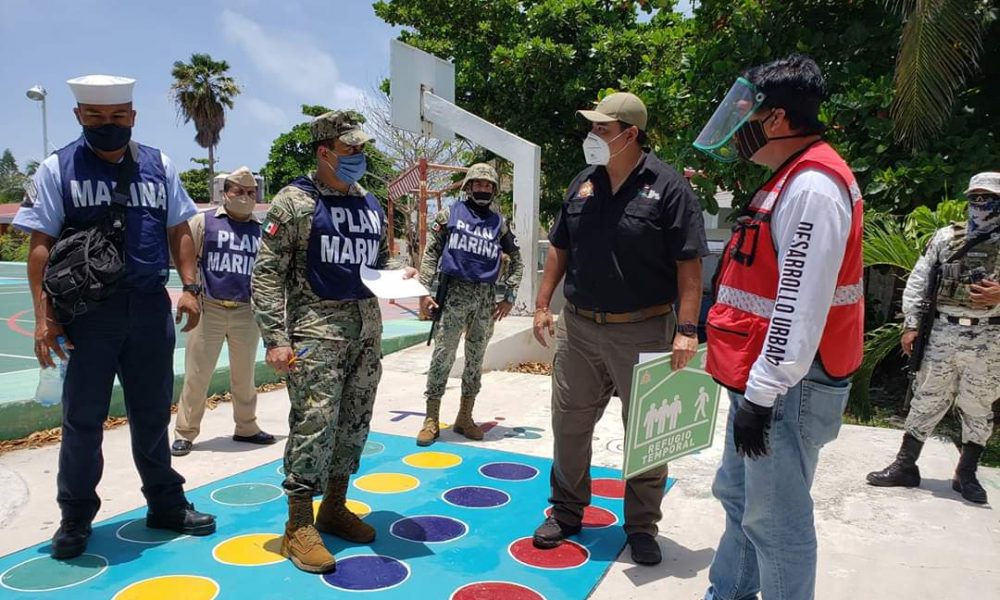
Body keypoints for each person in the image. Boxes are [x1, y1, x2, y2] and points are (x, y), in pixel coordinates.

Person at [14, 74, 216, 560]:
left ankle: (165, 504)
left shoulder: (158, 164)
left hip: (149, 308)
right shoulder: (56, 168)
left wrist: (189, 288)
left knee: (151, 414)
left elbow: (179, 229)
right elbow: (39, 247)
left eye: (118, 116)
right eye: (98, 117)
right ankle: (75, 518)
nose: (109, 124)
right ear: (80, 116)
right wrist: (46, 319)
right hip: (87, 315)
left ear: (132, 116)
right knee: (83, 420)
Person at [693, 54, 864, 600]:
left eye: (748, 115)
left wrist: (763, 398)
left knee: (777, 522)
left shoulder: (813, 188)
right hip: (763, 381)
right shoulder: (789, 179)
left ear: (777, 120)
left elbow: (798, 304)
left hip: (786, 387)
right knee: (742, 503)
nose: (740, 129)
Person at [532, 92, 708, 566]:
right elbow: (559, 248)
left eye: (601, 129)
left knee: (648, 431)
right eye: (591, 128)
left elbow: (688, 266)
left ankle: (641, 526)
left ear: (630, 134)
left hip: (645, 330)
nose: (592, 137)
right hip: (580, 328)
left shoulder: (669, 188)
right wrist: (543, 301)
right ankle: (567, 511)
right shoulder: (582, 184)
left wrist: (687, 329)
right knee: (569, 423)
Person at [252, 110, 417, 573]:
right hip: (315, 336)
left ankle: (335, 505)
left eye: (362, 149)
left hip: (366, 334)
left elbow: (376, 264)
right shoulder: (293, 203)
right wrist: (276, 339)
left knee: (354, 421)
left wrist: (398, 277)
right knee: (315, 423)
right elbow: (265, 275)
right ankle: (298, 525)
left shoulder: (368, 201)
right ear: (324, 152)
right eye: (350, 150)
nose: (359, 157)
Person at [867, 172, 1000, 505]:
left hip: (989, 335)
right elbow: (918, 280)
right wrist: (910, 325)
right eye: (976, 197)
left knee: (978, 405)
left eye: (989, 198)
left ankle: (966, 473)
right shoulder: (945, 237)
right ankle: (905, 465)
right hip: (943, 330)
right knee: (926, 397)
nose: (980, 204)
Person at [415, 162, 524, 446]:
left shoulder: (499, 223)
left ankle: (465, 417)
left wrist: (509, 297)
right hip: (453, 295)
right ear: (468, 186)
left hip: (485, 299)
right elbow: (431, 253)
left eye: (488, 185)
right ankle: (431, 418)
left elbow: (518, 262)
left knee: (475, 359)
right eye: (478, 184)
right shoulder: (449, 213)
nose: (483, 189)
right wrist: (423, 290)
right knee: (443, 356)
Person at [171, 167, 274, 456]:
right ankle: (185, 432)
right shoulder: (203, 222)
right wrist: (188, 291)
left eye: (250, 192)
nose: (244, 197)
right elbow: (184, 253)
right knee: (197, 374)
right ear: (224, 193)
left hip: (246, 310)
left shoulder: (261, 230)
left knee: (244, 375)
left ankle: (247, 427)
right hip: (209, 308)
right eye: (238, 191)